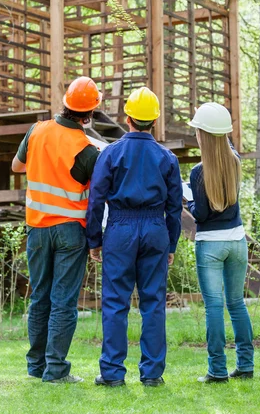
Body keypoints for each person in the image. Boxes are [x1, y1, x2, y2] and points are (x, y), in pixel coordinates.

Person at [86, 87, 183, 387]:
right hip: (155, 229)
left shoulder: (111, 153)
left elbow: (96, 200)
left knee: (116, 302)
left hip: (120, 229)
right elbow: (175, 207)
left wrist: (94, 240)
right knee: (153, 303)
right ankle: (152, 374)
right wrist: (171, 242)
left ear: (127, 118)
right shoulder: (167, 158)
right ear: (154, 121)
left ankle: (113, 374)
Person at [12, 76, 102, 384]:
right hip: (69, 232)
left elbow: (16, 166)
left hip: (37, 229)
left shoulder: (36, 130)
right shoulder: (88, 150)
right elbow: (98, 194)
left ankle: (36, 367)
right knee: (63, 301)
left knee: (40, 297)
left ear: (64, 103)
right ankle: (55, 369)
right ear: (89, 114)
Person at [185, 103, 254, 383]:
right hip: (237, 241)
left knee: (214, 307)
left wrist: (188, 199)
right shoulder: (235, 160)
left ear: (203, 134)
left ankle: (217, 370)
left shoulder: (198, 173)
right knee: (237, 304)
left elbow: (201, 214)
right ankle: (246, 365)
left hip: (210, 246)